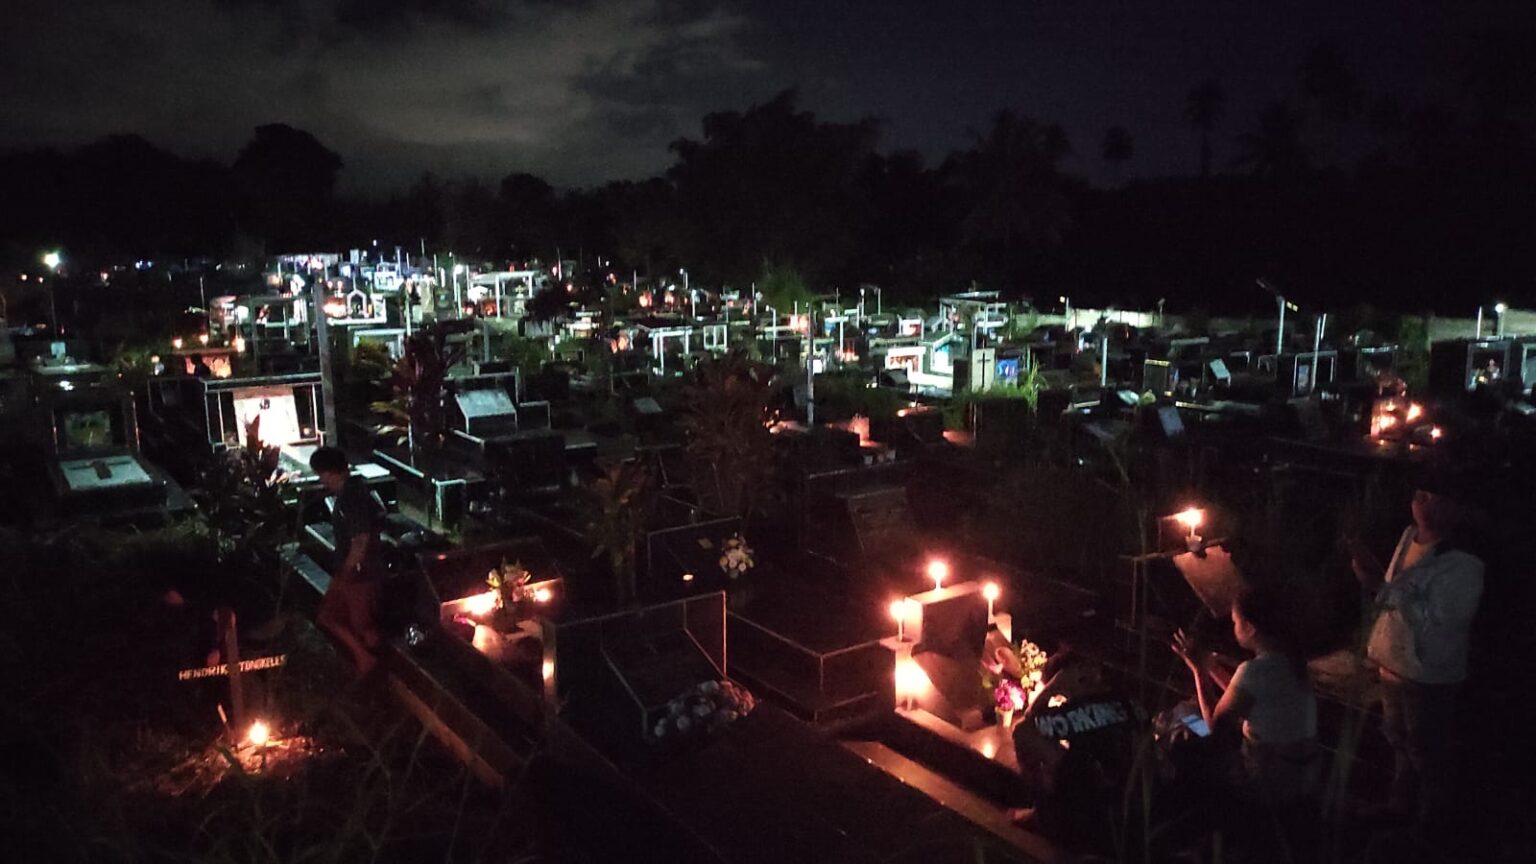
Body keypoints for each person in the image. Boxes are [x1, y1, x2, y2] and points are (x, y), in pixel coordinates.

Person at [1351, 471, 1484, 827]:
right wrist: (1374, 584)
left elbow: (1442, 619)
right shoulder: (1409, 536)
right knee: (1397, 738)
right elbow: (1392, 592)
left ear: (1454, 508)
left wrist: (1386, 588)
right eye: (1418, 493)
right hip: (1392, 661)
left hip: (1427, 672)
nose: (1421, 501)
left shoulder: (1465, 564)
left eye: (1431, 495)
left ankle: (1432, 820)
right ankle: (1398, 806)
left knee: (1425, 749)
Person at [1172, 586, 1320, 805]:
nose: (1233, 627)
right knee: (1198, 712)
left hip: (1267, 782)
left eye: (1235, 622)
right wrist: (1212, 667)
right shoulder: (1292, 660)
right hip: (1300, 774)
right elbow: (1246, 697)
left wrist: (1198, 671)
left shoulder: (1253, 671)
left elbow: (1213, 727)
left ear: (1249, 628)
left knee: (1185, 714)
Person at [1010, 649, 1145, 842]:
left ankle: (1044, 814)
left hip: (1095, 813)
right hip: (1132, 809)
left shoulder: (1085, 710)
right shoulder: (1124, 701)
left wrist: (1055, 685)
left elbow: (1028, 726)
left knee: (1024, 735)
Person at [310, 446, 385, 677]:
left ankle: (370, 663)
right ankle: (369, 660)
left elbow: (360, 540)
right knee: (340, 617)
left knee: (352, 621)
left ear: (331, 472)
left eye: (321, 474)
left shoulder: (350, 498)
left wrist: (347, 572)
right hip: (360, 571)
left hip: (357, 573)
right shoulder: (356, 490)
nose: (321, 480)